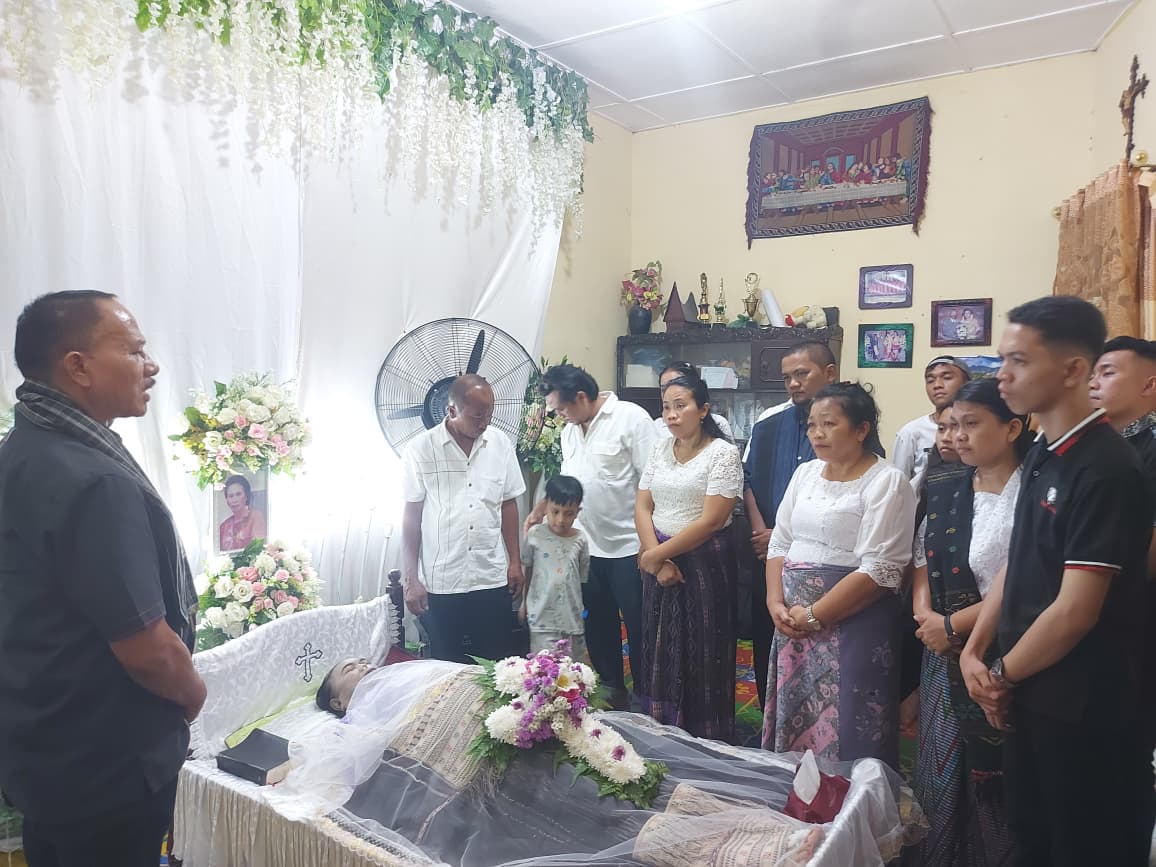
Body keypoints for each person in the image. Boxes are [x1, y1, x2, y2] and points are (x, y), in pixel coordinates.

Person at [0, 291, 206, 866]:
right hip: (106, 765)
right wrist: (194, 696)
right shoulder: (94, 480)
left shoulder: (21, 450)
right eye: (134, 351)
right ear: (78, 366)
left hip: (44, 746)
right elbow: (147, 649)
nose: (151, 365)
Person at [960, 296, 1153, 867]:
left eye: (1019, 360)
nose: (1003, 375)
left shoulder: (1107, 467)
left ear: (1072, 370)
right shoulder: (1046, 451)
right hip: (1030, 692)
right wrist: (974, 649)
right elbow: (1018, 561)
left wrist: (1000, 674)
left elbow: (1075, 612)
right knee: (1033, 838)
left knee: (1085, 845)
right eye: (1002, 359)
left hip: (1086, 704)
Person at [910, 378, 1030, 866]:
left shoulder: (1034, 491)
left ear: (1012, 428)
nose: (957, 436)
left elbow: (1029, 579)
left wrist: (952, 625)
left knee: (999, 779)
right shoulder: (945, 485)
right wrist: (926, 615)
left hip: (1010, 650)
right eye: (952, 425)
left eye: (971, 424)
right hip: (941, 648)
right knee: (942, 764)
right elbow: (921, 555)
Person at [762, 382, 915, 765]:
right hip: (793, 621)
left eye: (829, 424)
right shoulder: (805, 474)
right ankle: (798, 791)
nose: (817, 433)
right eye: (812, 425)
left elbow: (881, 568)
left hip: (854, 621)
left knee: (851, 720)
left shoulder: (887, 481)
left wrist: (816, 615)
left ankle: (852, 797)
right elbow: (780, 541)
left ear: (861, 429)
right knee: (797, 715)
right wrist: (775, 602)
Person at [528, 364, 657, 710]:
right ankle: (612, 690)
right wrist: (542, 507)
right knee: (598, 625)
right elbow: (571, 482)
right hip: (585, 546)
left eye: (561, 408)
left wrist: (652, 545)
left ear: (581, 397)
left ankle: (648, 698)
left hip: (630, 547)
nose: (559, 416)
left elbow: (652, 482)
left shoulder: (631, 419)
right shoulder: (570, 432)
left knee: (640, 628)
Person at [635, 374, 743, 740]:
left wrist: (655, 556)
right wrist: (656, 558)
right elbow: (642, 505)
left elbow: (712, 520)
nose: (671, 415)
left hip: (704, 563)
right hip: (659, 560)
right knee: (659, 644)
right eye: (666, 407)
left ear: (703, 409)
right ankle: (661, 728)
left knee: (703, 650)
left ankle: (705, 735)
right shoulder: (660, 449)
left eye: (681, 406)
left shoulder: (723, 454)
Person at [401, 374, 526, 664]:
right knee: (446, 667)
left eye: (489, 415)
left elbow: (508, 504)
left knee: (497, 666)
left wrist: (515, 561)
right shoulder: (420, 450)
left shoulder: (500, 444)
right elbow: (411, 518)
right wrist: (411, 579)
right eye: (477, 416)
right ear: (452, 410)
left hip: (490, 576)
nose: (485, 423)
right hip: (443, 580)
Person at [742, 340, 838, 706]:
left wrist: (782, 537)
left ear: (829, 374)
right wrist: (761, 532)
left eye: (802, 374)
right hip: (766, 553)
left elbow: (847, 496)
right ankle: (769, 717)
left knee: (817, 648)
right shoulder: (768, 426)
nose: (793, 384)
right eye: (787, 378)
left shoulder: (846, 426)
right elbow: (748, 481)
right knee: (767, 637)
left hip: (820, 559)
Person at [519, 475, 590, 659]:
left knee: (572, 670)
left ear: (577, 511)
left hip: (572, 621)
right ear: (546, 507)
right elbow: (528, 569)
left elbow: (582, 579)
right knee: (543, 669)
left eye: (569, 513)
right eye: (555, 511)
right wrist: (524, 604)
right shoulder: (535, 535)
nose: (560, 519)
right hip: (541, 619)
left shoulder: (580, 540)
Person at [892, 356, 971, 482]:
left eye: (947, 378)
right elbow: (898, 485)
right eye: (930, 380)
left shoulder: (977, 429)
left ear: (967, 383)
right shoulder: (911, 432)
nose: (937, 385)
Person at [651, 361, 733, 442]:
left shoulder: (719, 422)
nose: (669, 392)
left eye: (677, 385)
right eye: (664, 389)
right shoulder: (656, 426)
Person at [218, 473, 267, 551]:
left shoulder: (255, 517)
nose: (234, 500)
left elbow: (258, 549)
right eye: (231, 496)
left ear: (246, 496)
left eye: (238, 494)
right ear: (227, 500)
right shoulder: (224, 526)